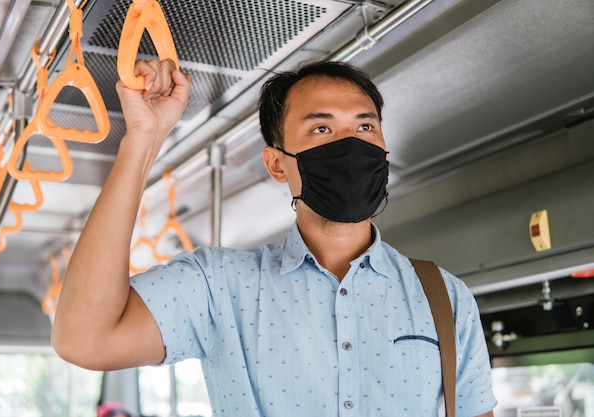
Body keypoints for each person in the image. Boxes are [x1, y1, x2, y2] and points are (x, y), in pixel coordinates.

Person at [51, 58, 497, 416]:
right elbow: (83, 338)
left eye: (365, 127)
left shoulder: (443, 297)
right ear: (277, 163)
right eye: (321, 129)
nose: (351, 144)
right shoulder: (220, 286)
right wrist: (143, 140)